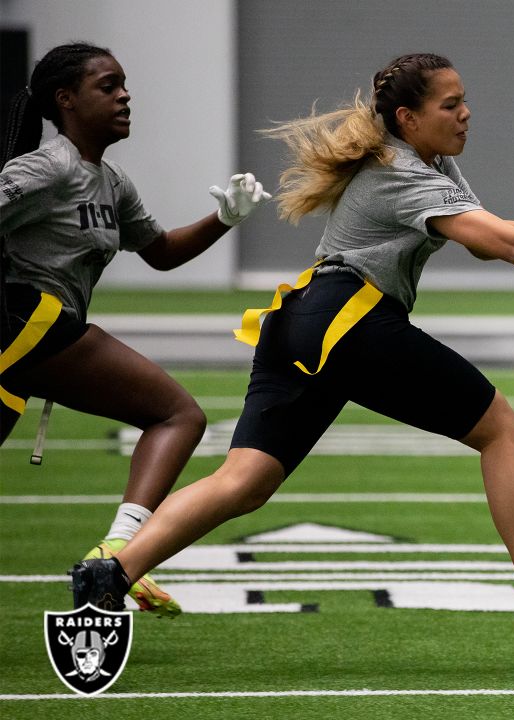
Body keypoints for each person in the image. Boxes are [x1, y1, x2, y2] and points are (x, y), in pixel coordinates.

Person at [71, 52, 514, 644]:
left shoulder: (424, 160)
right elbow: (502, 247)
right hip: (349, 318)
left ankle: (110, 574)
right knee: (500, 430)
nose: (467, 112)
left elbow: (483, 235)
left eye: (465, 99)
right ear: (409, 118)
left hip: (304, 318)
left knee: (246, 479)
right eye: (451, 103)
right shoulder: (403, 171)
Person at [1, 43, 270, 618]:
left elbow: (162, 252)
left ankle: (122, 550)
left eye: (125, 84)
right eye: (108, 86)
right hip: (31, 322)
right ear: (65, 99)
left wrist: (226, 219)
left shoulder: (111, 181)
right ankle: (122, 550)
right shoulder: (46, 169)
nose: (125, 95)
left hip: (33, 341)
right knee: (177, 414)